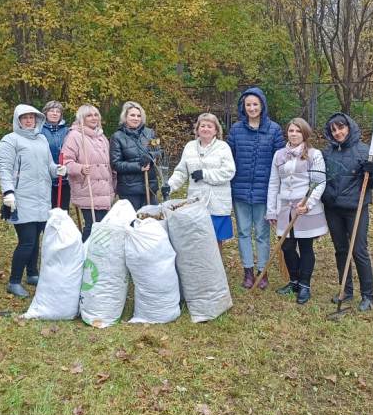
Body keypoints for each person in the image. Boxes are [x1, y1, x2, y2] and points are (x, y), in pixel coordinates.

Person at [0, 104, 66, 298]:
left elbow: (49, 165)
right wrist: (8, 192)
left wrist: (57, 170)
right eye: (24, 118)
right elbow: (4, 169)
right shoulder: (10, 140)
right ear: (18, 120)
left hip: (42, 197)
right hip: (21, 198)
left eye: (32, 117)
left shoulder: (41, 139)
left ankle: (33, 274)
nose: (29, 121)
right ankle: (14, 281)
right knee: (27, 241)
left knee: (36, 240)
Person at [321, 112, 373, 312]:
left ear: (349, 127)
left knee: (358, 251)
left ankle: (368, 296)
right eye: (333, 130)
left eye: (341, 128)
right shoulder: (327, 153)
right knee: (341, 250)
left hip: (356, 209)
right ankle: (346, 290)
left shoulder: (365, 152)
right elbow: (320, 178)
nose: (337, 133)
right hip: (333, 209)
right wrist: (326, 196)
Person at [227, 86, 285, 289]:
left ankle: (262, 270)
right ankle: (248, 272)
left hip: (264, 191)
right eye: (248, 105)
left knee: (262, 233)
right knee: (243, 231)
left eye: (255, 104)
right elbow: (228, 159)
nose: (252, 108)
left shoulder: (274, 130)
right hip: (240, 190)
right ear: (243, 107)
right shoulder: (236, 130)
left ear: (262, 105)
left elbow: (281, 161)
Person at [266, 118, 327, 304]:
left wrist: (308, 204)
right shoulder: (279, 155)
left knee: (306, 246)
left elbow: (319, 182)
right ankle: (294, 281)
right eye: (291, 130)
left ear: (304, 133)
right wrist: (271, 210)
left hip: (305, 208)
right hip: (285, 208)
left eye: (298, 131)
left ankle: (304, 285)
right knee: (287, 246)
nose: (293, 134)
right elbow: (274, 183)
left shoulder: (314, 154)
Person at [162, 113, 235, 250]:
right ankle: (200, 264)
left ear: (216, 130)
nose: (205, 129)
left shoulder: (223, 147)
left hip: (217, 202)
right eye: (202, 126)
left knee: (216, 239)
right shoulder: (190, 147)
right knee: (197, 238)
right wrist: (170, 186)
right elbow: (181, 172)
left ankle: (216, 264)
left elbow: (229, 171)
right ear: (197, 129)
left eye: (209, 126)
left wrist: (204, 174)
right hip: (196, 201)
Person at [61, 104, 116, 242]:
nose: (93, 118)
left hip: (104, 190)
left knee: (103, 227)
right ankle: (83, 252)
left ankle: (97, 253)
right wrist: (79, 168)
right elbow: (66, 161)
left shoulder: (102, 137)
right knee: (92, 226)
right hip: (87, 189)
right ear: (82, 118)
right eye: (89, 115)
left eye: (96, 115)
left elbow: (108, 163)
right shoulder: (74, 136)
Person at [110, 101, 161, 211]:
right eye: (132, 115)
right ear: (125, 117)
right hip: (130, 189)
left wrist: (150, 157)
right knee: (134, 219)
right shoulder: (117, 137)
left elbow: (158, 151)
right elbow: (115, 164)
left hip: (149, 186)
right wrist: (138, 166)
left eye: (138, 116)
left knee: (153, 218)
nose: (136, 118)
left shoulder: (149, 133)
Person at [41, 101, 70, 211]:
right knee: (48, 210)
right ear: (46, 113)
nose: (55, 113)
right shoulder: (39, 130)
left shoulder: (67, 131)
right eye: (51, 111)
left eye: (58, 111)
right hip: (46, 179)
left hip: (64, 178)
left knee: (62, 211)